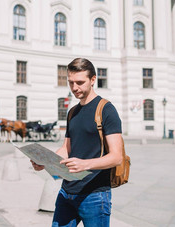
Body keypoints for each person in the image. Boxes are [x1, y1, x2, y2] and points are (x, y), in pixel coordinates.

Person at [31, 58, 123, 227]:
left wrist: (85, 164)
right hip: (66, 193)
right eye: (71, 82)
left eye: (80, 82)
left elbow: (117, 157)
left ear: (93, 80)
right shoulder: (73, 112)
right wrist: (44, 162)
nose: (74, 88)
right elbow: (66, 148)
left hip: (94, 196)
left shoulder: (107, 110)